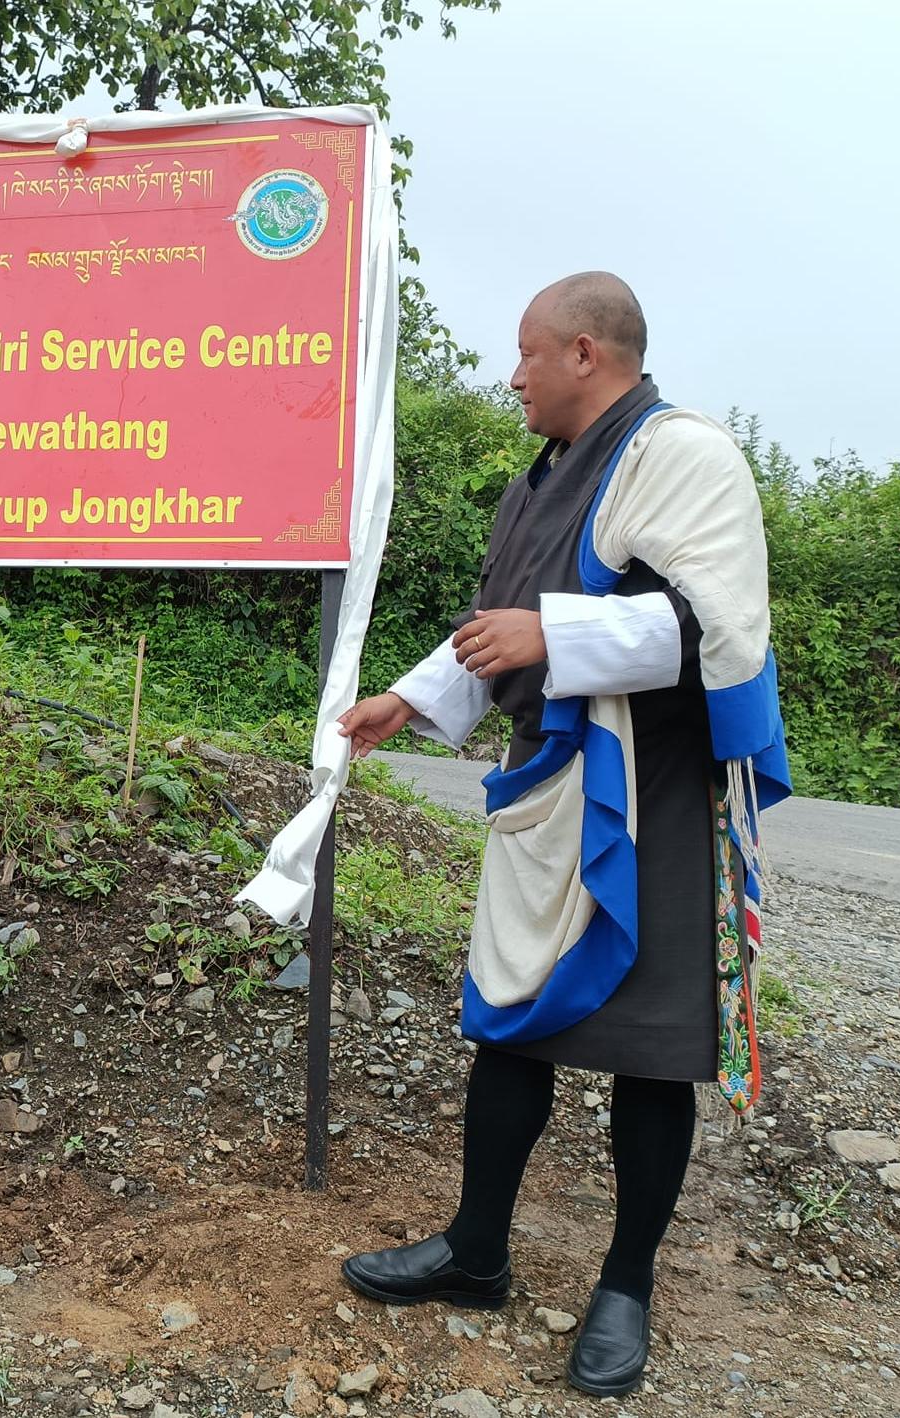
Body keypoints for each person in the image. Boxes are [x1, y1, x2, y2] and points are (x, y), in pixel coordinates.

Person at [334, 274, 787, 1396]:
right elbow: (503, 630)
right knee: (510, 1024)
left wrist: (552, 631)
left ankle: (623, 1284)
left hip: (654, 789)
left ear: (585, 352)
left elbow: (714, 630)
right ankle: (474, 1248)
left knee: (651, 1050)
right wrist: (408, 695)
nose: (513, 374)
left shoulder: (683, 455)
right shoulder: (533, 484)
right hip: (545, 786)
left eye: (528, 354)